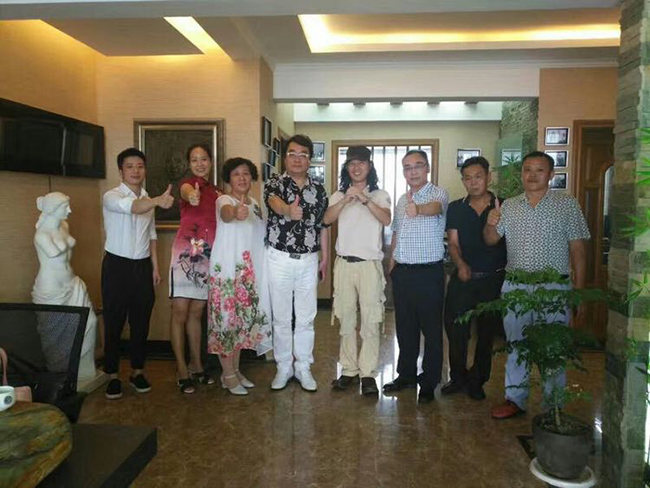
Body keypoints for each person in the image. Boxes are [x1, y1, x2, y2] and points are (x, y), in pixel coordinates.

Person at [484, 151, 590, 419]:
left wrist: (579, 292)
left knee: (552, 347)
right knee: (516, 344)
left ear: (551, 175)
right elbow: (491, 240)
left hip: (554, 288)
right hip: (516, 287)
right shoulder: (509, 206)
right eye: (527, 170)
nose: (532, 175)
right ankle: (515, 399)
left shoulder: (567, 204)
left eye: (539, 170)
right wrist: (490, 223)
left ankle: (553, 406)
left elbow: (578, 249)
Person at [102, 147, 174, 400]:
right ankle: (112, 375)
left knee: (141, 322)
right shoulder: (111, 196)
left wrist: (154, 267)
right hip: (116, 266)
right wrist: (156, 201)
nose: (136, 171)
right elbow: (133, 208)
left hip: (142, 266)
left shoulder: (147, 198)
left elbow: (151, 234)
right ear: (121, 171)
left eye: (140, 166)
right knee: (114, 322)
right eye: (130, 166)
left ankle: (137, 371)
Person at [323, 146, 391, 396]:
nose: (356, 167)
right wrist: (345, 200)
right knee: (346, 319)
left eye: (361, 162)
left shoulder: (380, 194)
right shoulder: (338, 194)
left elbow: (386, 219)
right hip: (344, 264)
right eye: (351, 163)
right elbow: (327, 219)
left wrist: (364, 199)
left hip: (369, 266)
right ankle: (349, 370)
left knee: (371, 320)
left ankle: (368, 374)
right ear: (347, 167)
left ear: (369, 166)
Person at [265, 134, 329, 392]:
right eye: (292, 153)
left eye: (303, 154)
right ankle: (283, 367)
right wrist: (287, 210)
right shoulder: (274, 183)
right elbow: (274, 203)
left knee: (306, 317)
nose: (298, 159)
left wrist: (325, 258)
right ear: (285, 157)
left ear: (309, 159)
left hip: (308, 260)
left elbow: (323, 225)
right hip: (279, 258)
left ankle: (303, 367)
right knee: (281, 317)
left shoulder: (319, 189)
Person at [384, 150, 448, 404]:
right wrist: (392, 263)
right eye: (407, 167)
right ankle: (406, 375)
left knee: (431, 331)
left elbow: (435, 208)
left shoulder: (437, 194)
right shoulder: (401, 200)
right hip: (403, 273)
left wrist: (418, 209)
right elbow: (396, 232)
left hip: (429, 273)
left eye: (418, 166)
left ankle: (429, 381)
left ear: (427, 168)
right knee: (405, 328)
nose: (413, 171)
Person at [442, 156, 506, 401]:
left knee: (486, 334)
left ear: (488, 177)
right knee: (456, 330)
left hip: (493, 280)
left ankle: (478, 380)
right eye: (468, 178)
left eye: (478, 176)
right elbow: (453, 243)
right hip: (463, 278)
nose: (473, 182)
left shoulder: (504, 206)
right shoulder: (456, 208)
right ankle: (458, 377)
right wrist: (460, 265)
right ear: (463, 181)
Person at [207, 157, 272, 395]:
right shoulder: (223, 200)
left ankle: (234, 370)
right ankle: (227, 374)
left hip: (247, 273)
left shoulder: (254, 203)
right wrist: (236, 211)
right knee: (226, 321)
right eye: (236, 174)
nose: (242, 178)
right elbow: (227, 214)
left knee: (241, 323)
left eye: (246, 173)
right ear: (229, 179)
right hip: (226, 272)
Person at [169, 144, 219, 394]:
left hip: (207, 257)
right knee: (180, 312)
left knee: (197, 313)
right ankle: (181, 369)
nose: (200, 164)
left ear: (211, 161)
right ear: (189, 164)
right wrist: (192, 196)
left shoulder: (218, 192)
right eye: (195, 160)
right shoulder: (188, 184)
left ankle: (196, 365)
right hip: (185, 255)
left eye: (204, 159)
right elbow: (188, 192)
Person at [32, 192, 98, 382]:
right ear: (52, 209)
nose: (69, 210)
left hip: (72, 283)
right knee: (56, 337)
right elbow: (54, 253)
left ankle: (83, 371)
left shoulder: (64, 226)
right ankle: (62, 374)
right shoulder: (42, 235)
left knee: (90, 322)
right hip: (52, 289)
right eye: (64, 207)